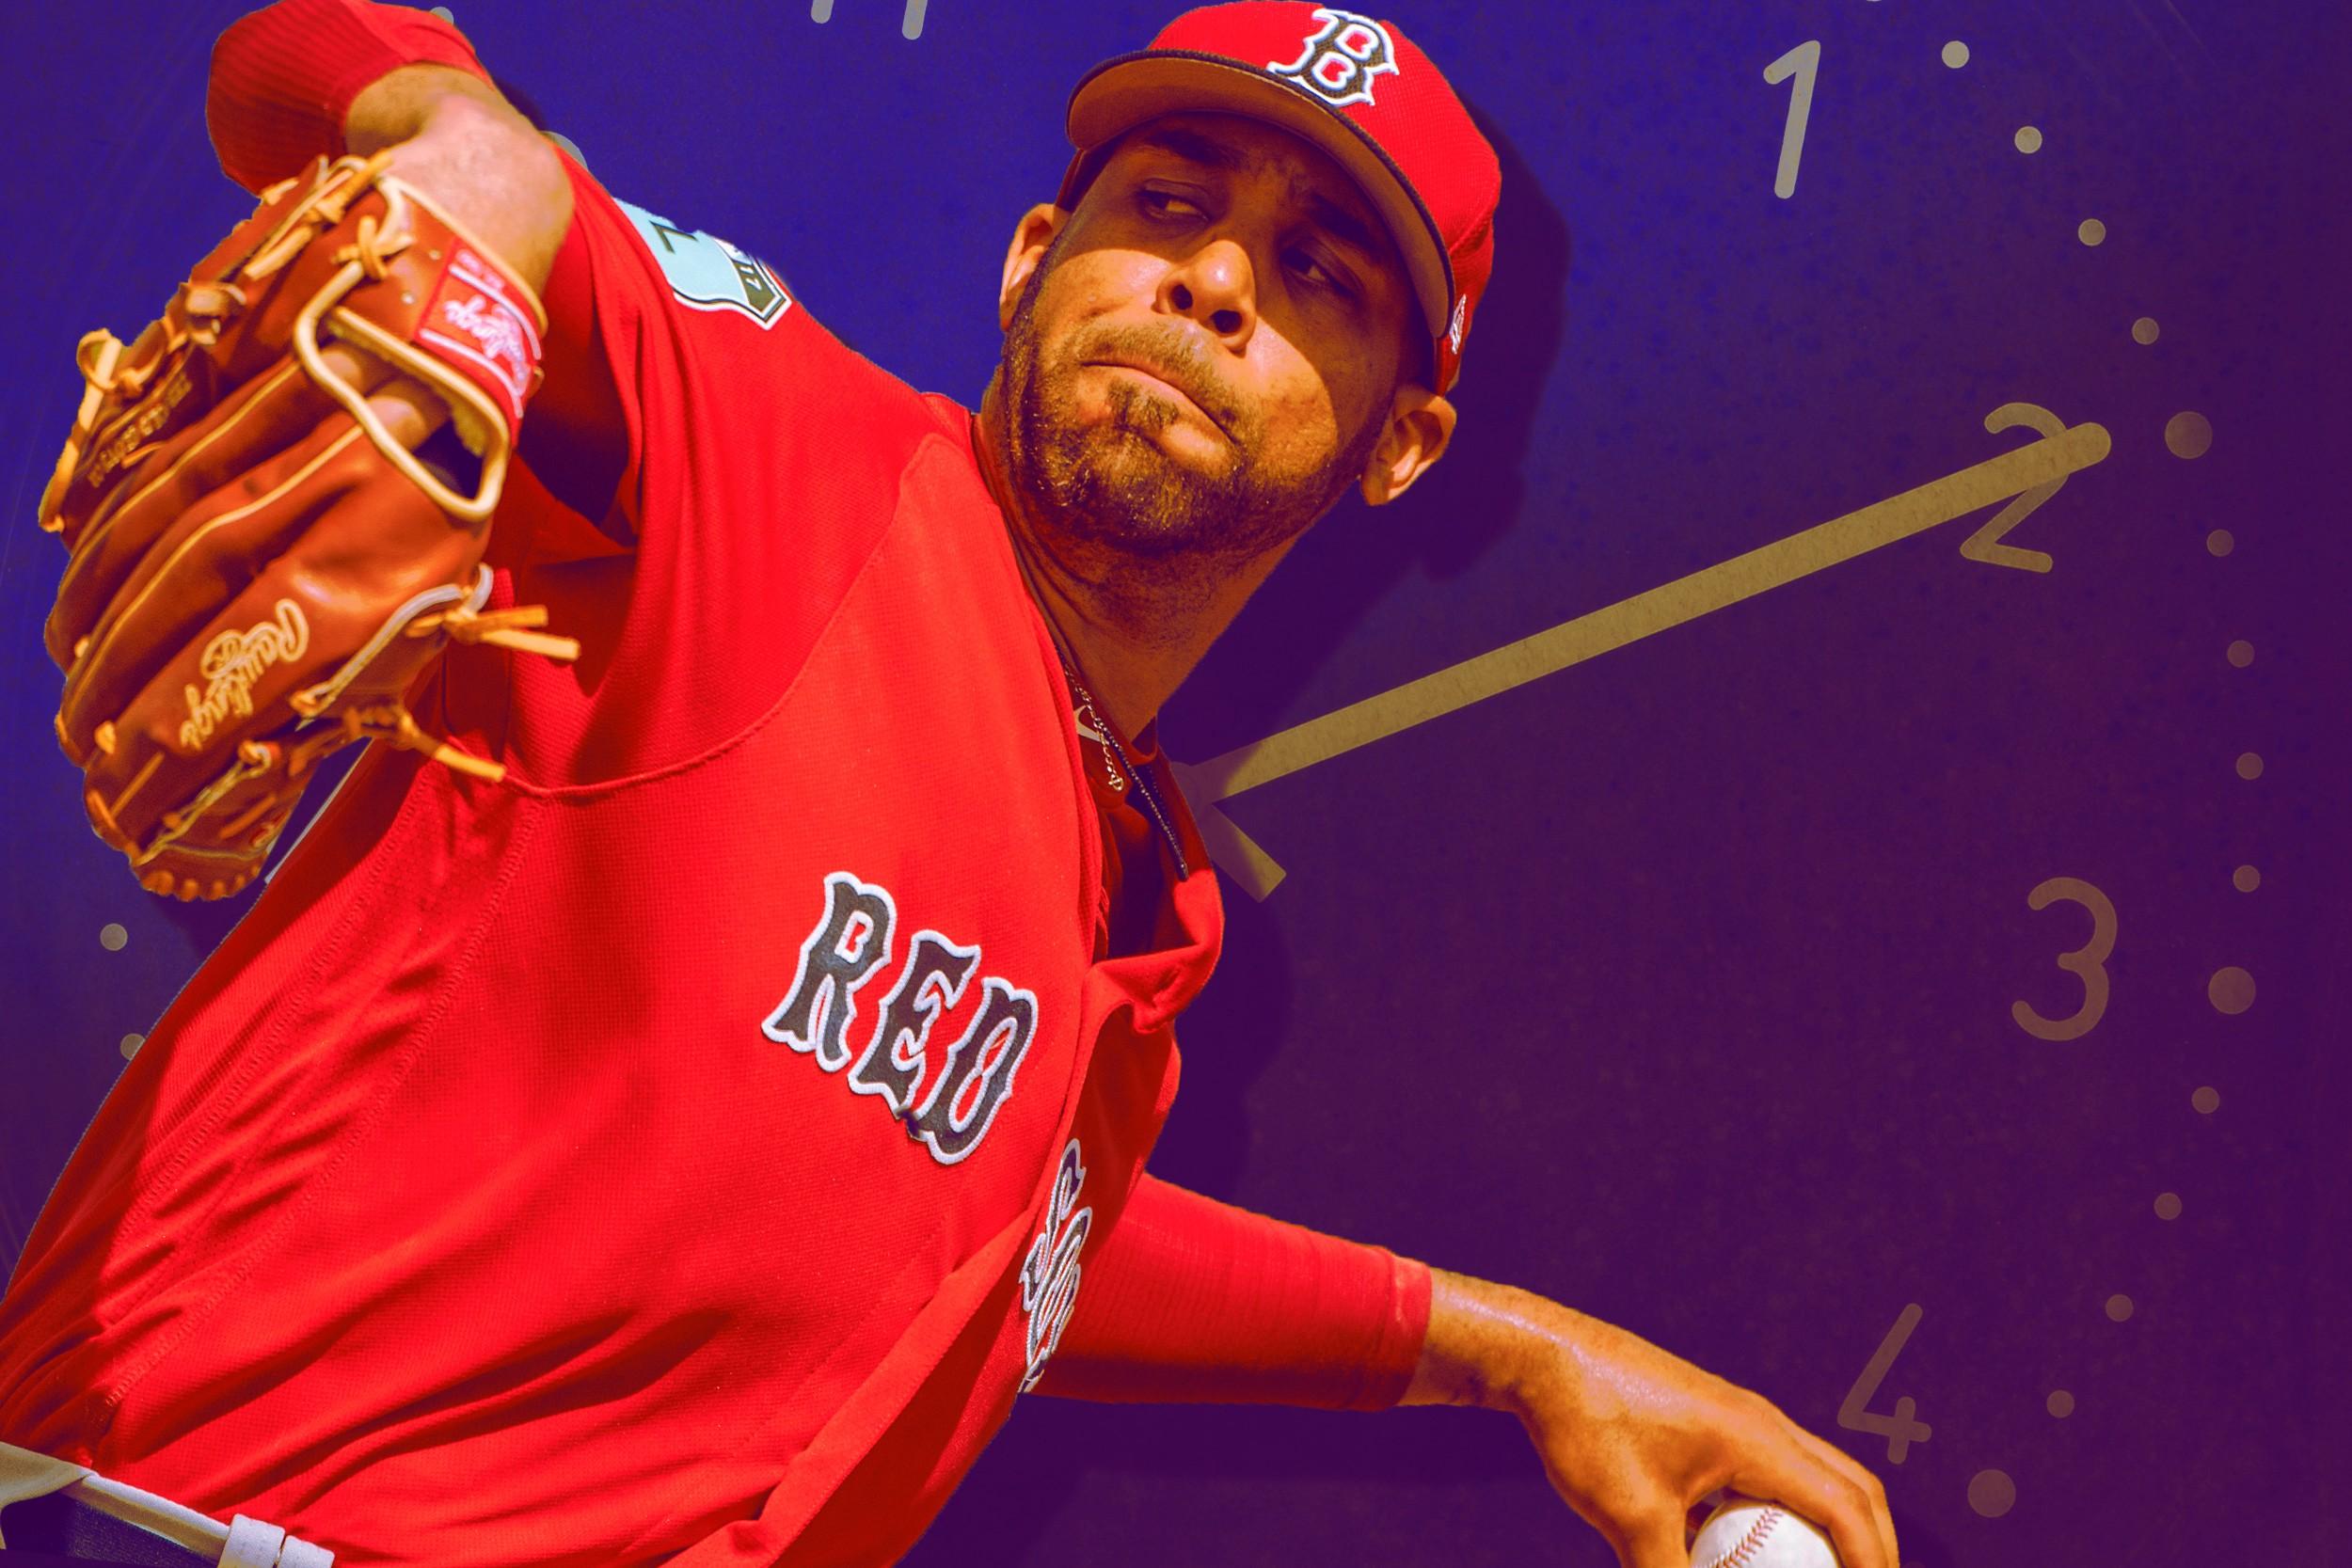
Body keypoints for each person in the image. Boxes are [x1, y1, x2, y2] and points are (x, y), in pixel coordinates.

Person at [0, 3, 1899, 1565]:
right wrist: (465, 147)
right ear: (1028, 261)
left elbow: (989, 1248)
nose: (1213, 278)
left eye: (1316, 271)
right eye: (1168, 204)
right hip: (172, 1525)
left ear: (1402, 448)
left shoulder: (1134, 907)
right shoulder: (788, 456)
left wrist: (1518, 1354)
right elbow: (305, 47)